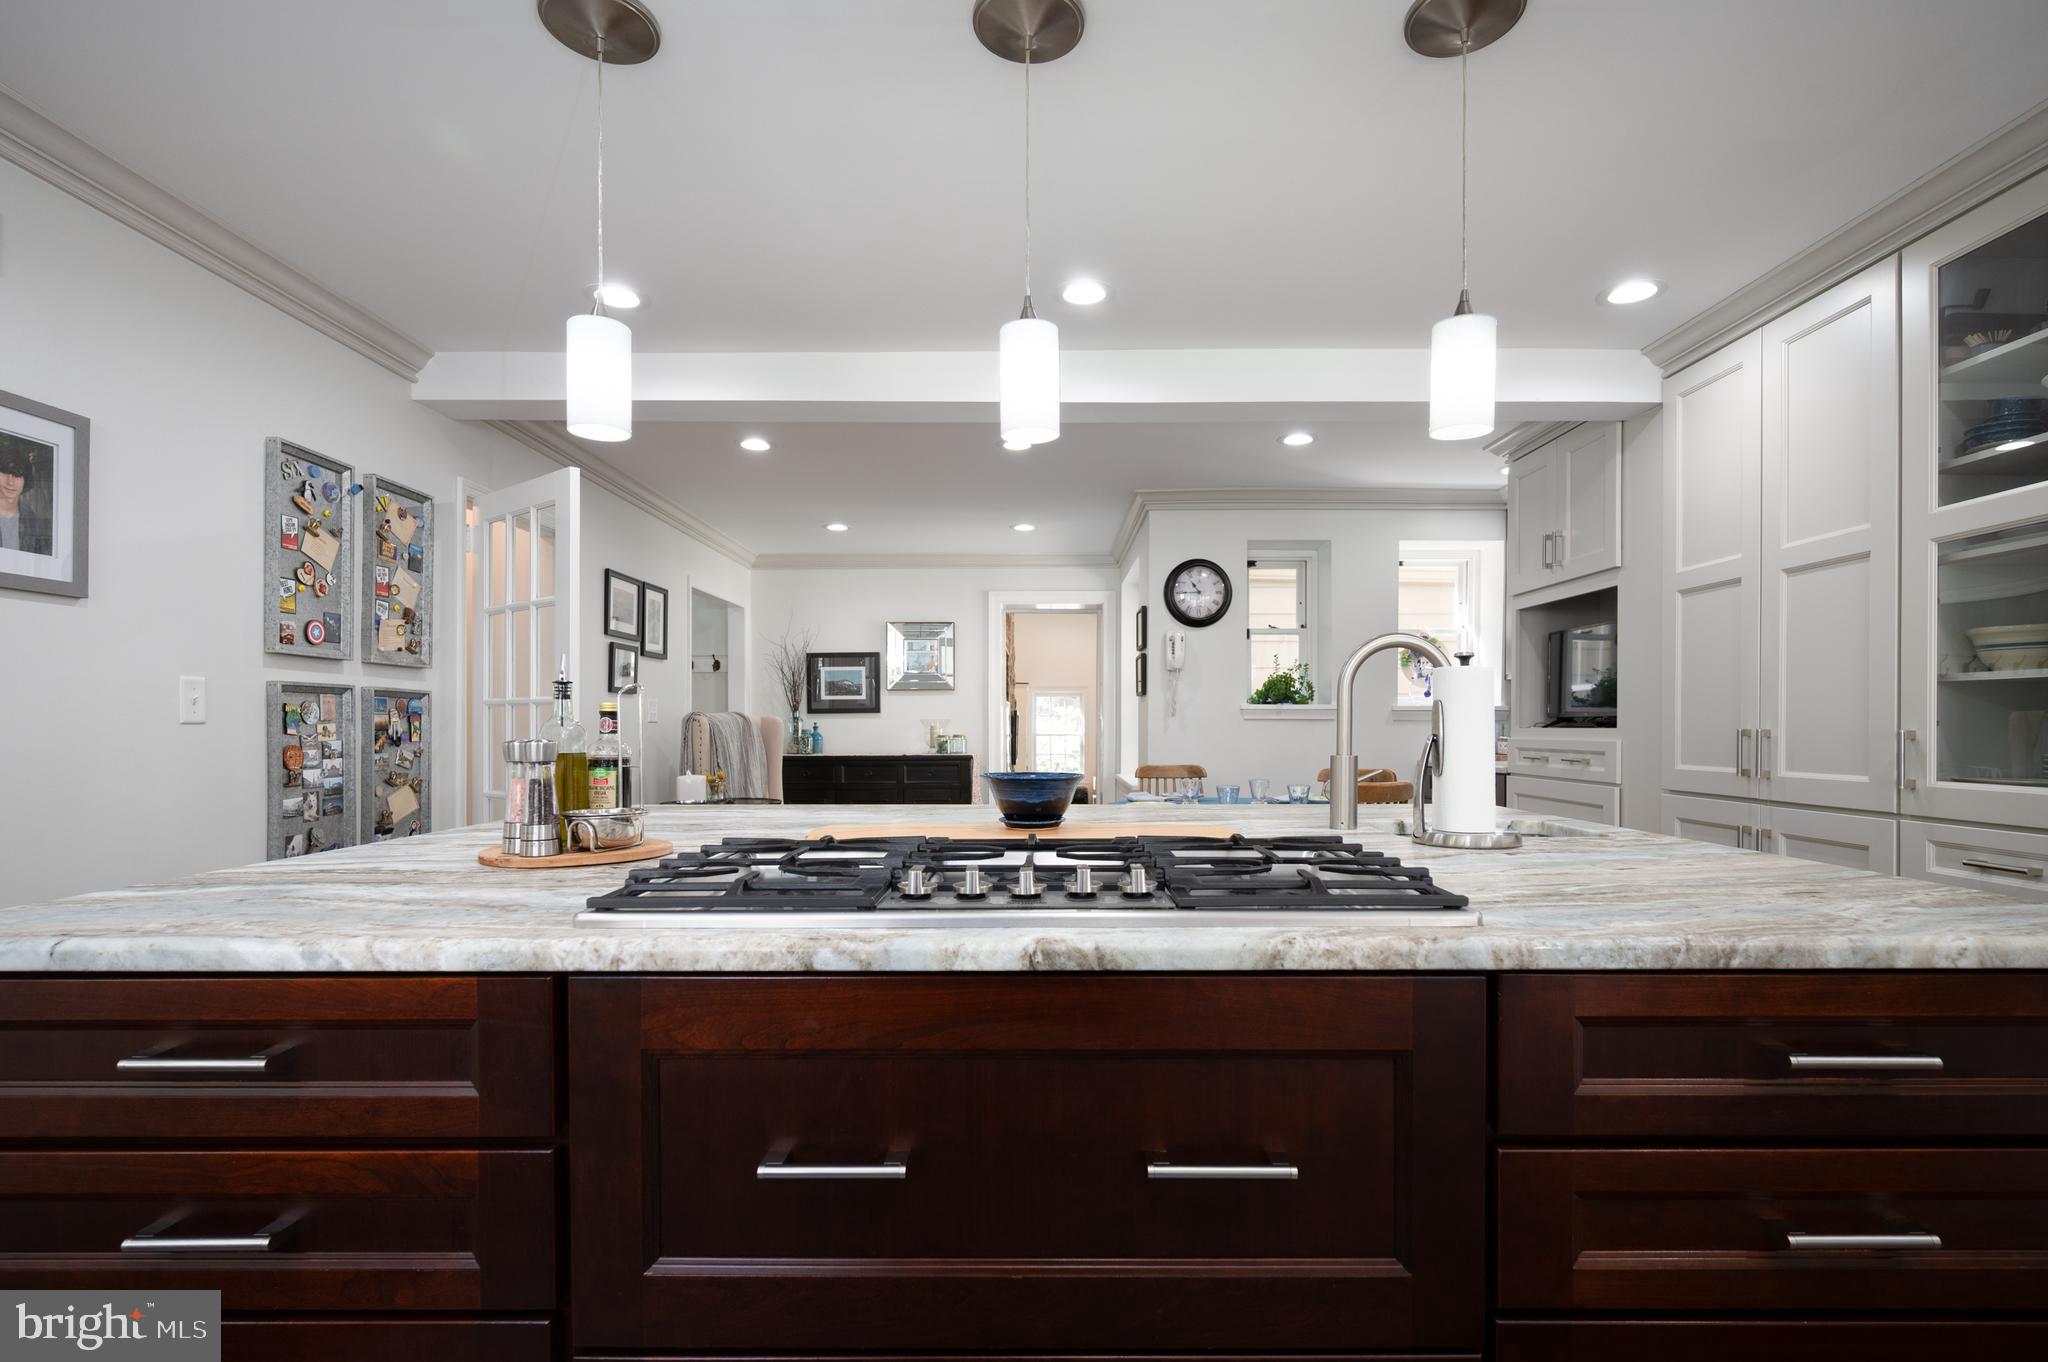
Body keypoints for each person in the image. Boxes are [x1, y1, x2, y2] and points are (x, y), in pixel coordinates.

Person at [0, 435, 54, 556]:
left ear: (25, 480)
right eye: (5, 472)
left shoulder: (35, 523)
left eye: (17, 474)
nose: (10, 481)